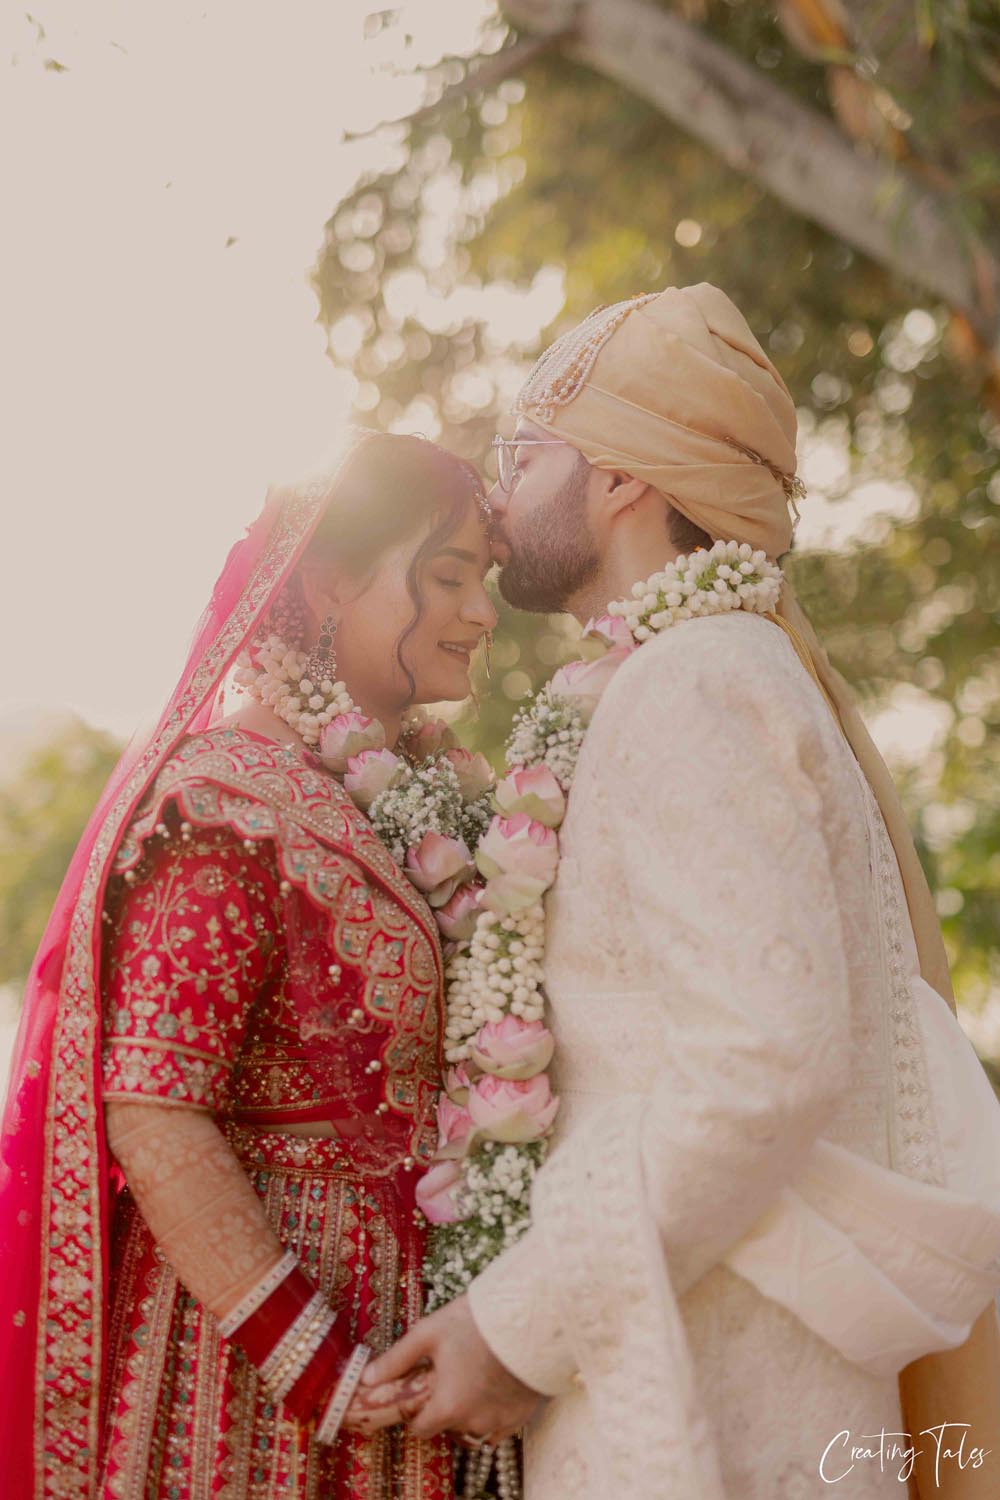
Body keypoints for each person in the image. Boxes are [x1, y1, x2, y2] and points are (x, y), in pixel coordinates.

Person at [363, 286, 1000, 1499]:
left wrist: (519, 1330)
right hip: (711, 1361)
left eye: (522, 454)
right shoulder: (707, 672)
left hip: (710, 1396)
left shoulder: (693, 684)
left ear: (619, 482)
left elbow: (764, 1062)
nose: (496, 506)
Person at [0, 429, 497, 1499]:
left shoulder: (446, 801)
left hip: (432, 1335)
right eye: (448, 576)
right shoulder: (228, 807)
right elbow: (154, 1102)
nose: (481, 613)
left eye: (486, 580)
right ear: (328, 584)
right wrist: (316, 1363)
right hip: (256, 1375)